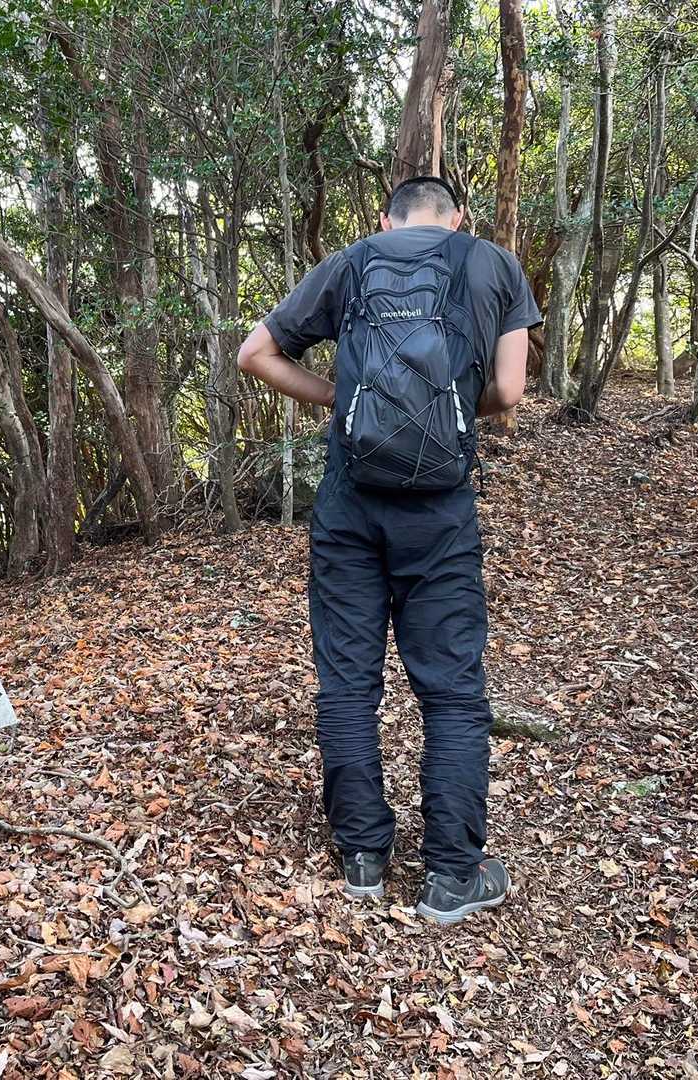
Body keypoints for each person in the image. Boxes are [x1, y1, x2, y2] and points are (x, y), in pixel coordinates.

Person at [237, 175, 540, 924]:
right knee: (452, 690)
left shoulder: (351, 261)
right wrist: (445, 413)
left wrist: (342, 399)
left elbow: (255, 355)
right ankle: (451, 875)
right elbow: (508, 392)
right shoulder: (492, 264)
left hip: (350, 501)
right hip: (439, 508)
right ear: (457, 217)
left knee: (347, 681)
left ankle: (364, 856)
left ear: (386, 217)